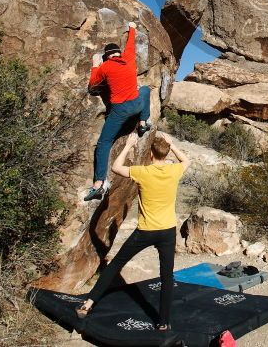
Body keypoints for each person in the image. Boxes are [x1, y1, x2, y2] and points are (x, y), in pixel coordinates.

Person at [75, 131, 190, 335]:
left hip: (145, 231)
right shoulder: (174, 170)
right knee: (166, 276)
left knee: (115, 264)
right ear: (165, 154)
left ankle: (88, 304)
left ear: (151, 155)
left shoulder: (143, 172)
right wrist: (172, 145)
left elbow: (115, 167)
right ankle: (163, 322)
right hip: (167, 231)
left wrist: (128, 145)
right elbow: (186, 160)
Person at [85, 21, 152, 201]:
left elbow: (92, 86)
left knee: (104, 143)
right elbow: (131, 44)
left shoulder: (105, 66)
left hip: (120, 110)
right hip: (137, 105)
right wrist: (132, 27)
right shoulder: (128, 58)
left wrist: (95, 65)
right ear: (119, 53)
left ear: (107, 57)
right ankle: (144, 122)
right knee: (145, 89)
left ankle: (99, 183)